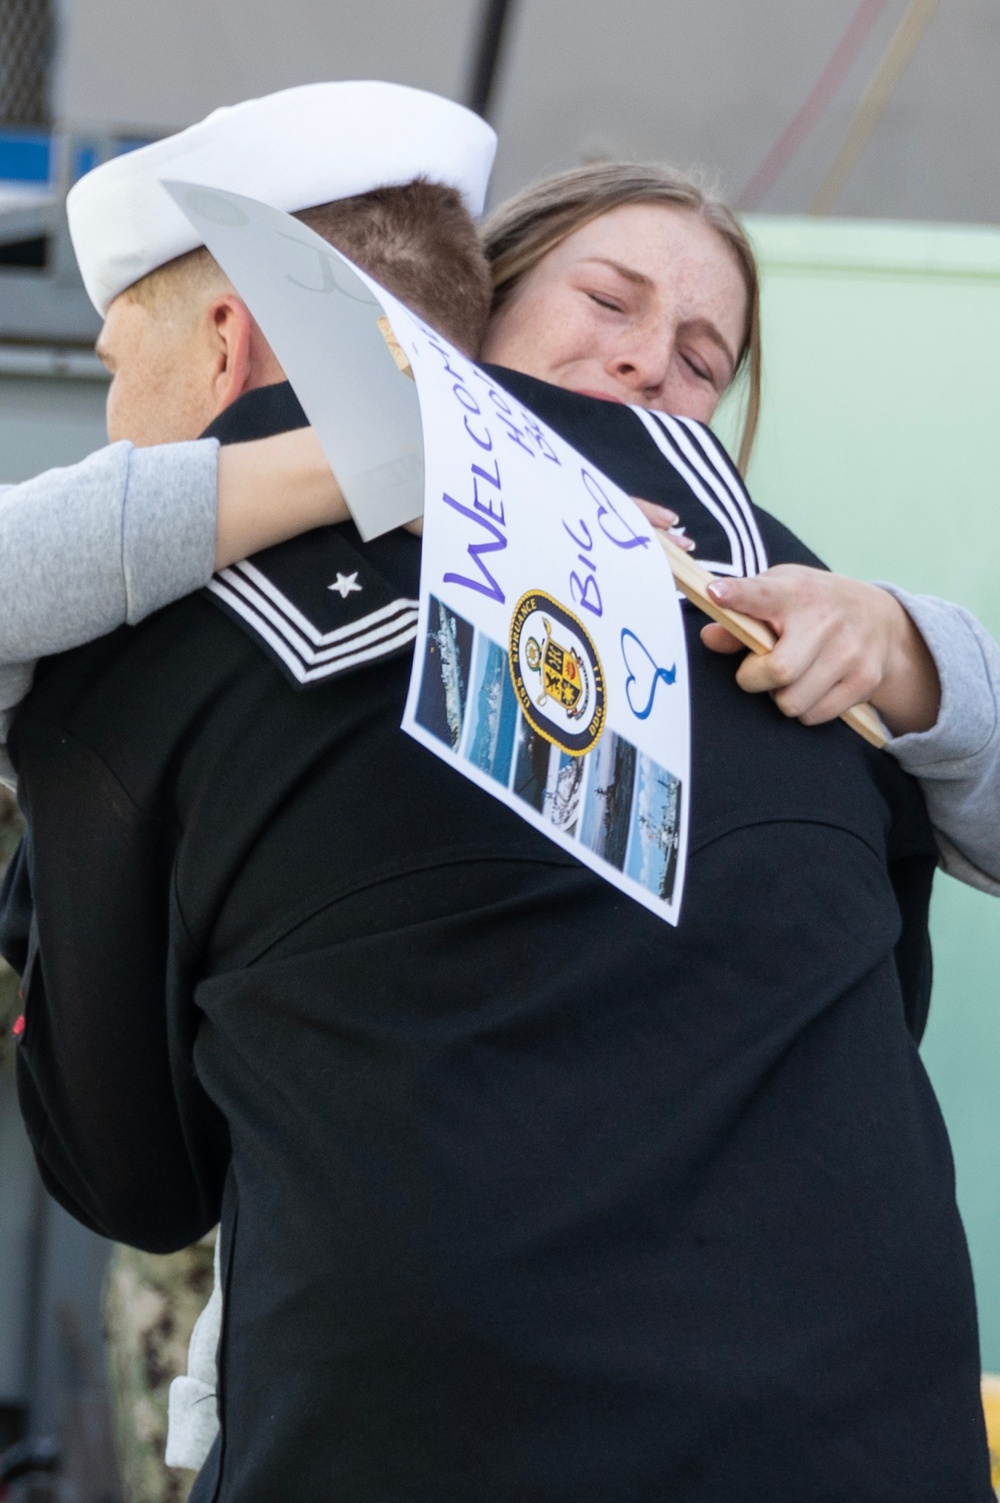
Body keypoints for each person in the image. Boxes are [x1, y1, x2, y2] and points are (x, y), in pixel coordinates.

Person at [3, 111, 995, 1503]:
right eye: (608, 304)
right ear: (469, 321)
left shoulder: (805, 633)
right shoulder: (803, 673)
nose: (653, 360)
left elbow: (125, 1171)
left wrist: (912, 645)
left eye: (706, 359)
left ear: (227, 344)